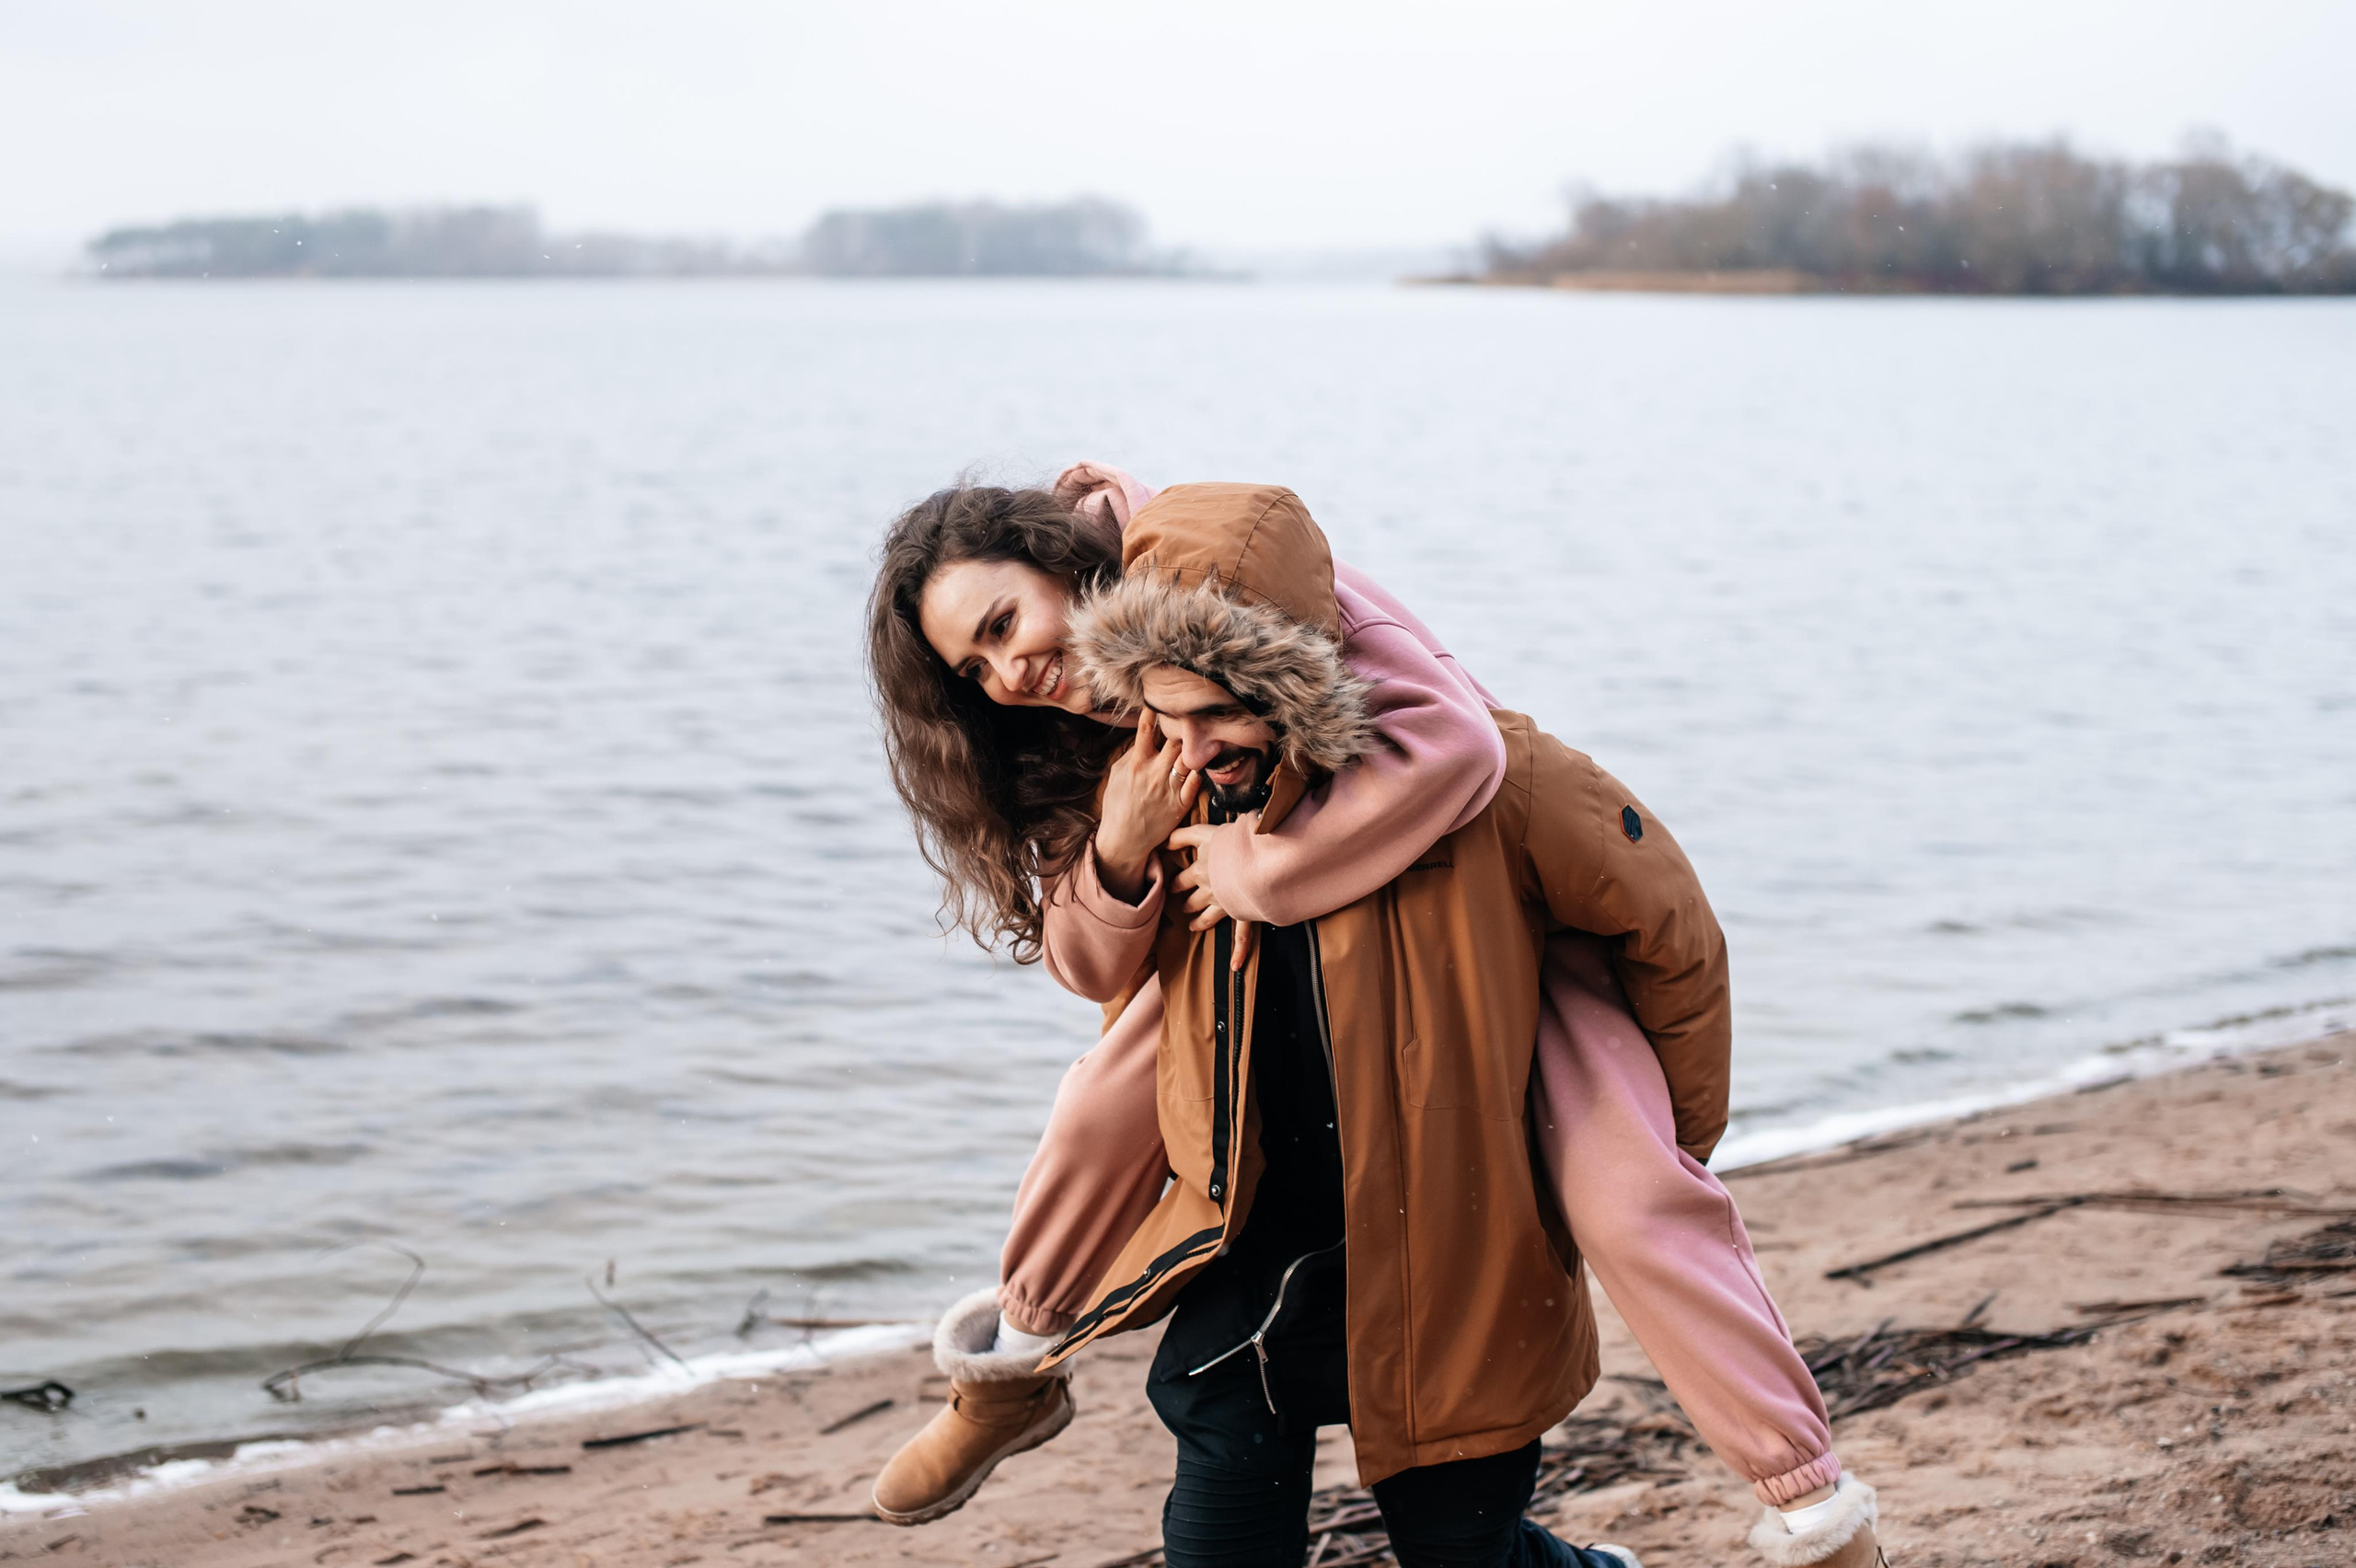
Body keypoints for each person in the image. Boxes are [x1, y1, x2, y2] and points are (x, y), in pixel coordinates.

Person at [862, 477, 1886, 1568]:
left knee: (1630, 1210)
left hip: (1475, 1042)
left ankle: (1809, 1505)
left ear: (1071, 567)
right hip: (1254, 1155)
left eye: (1003, 625)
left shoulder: (1329, 633)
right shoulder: (1121, 759)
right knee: (1098, 1101)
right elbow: (1088, 968)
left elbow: (1534, 810)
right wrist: (1120, 843)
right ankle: (1012, 1366)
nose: (1008, 675)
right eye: (974, 670)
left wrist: (1675, 1119)